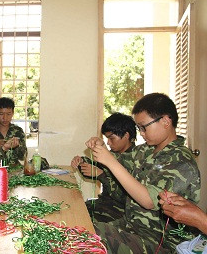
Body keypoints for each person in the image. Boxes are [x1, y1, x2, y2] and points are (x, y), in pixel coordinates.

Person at [85, 93, 200, 253]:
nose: (140, 133)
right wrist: (101, 146)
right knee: (83, 229)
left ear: (166, 121)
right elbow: (118, 159)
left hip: (160, 242)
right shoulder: (146, 150)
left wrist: (110, 161)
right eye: (139, 128)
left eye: (144, 127)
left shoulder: (181, 161)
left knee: (92, 242)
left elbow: (149, 201)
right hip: (133, 226)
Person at [71, 112, 136, 222]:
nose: (108, 143)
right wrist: (82, 162)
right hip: (103, 204)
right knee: (73, 210)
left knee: (80, 222)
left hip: (120, 212)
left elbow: (125, 197)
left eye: (112, 138)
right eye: (106, 139)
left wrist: (100, 175)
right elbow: (97, 166)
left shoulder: (136, 159)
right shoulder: (113, 155)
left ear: (126, 136)